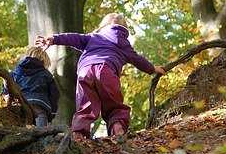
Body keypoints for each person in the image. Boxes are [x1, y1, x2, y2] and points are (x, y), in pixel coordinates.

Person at [36, 13, 165, 140]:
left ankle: (79, 135)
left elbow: (73, 38)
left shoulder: (93, 37)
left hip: (85, 72)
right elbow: (138, 60)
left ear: (103, 25)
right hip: (106, 70)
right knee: (114, 106)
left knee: (85, 107)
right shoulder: (123, 43)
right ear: (124, 29)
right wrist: (153, 69)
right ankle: (118, 130)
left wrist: (53, 39)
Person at [2, 47, 59, 127]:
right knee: (41, 131)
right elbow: (54, 95)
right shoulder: (47, 74)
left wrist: (8, 99)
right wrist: (52, 112)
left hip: (21, 103)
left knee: (22, 130)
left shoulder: (15, 72)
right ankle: (42, 138)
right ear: (44, 61)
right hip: (39, 104)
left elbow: (6, 88)